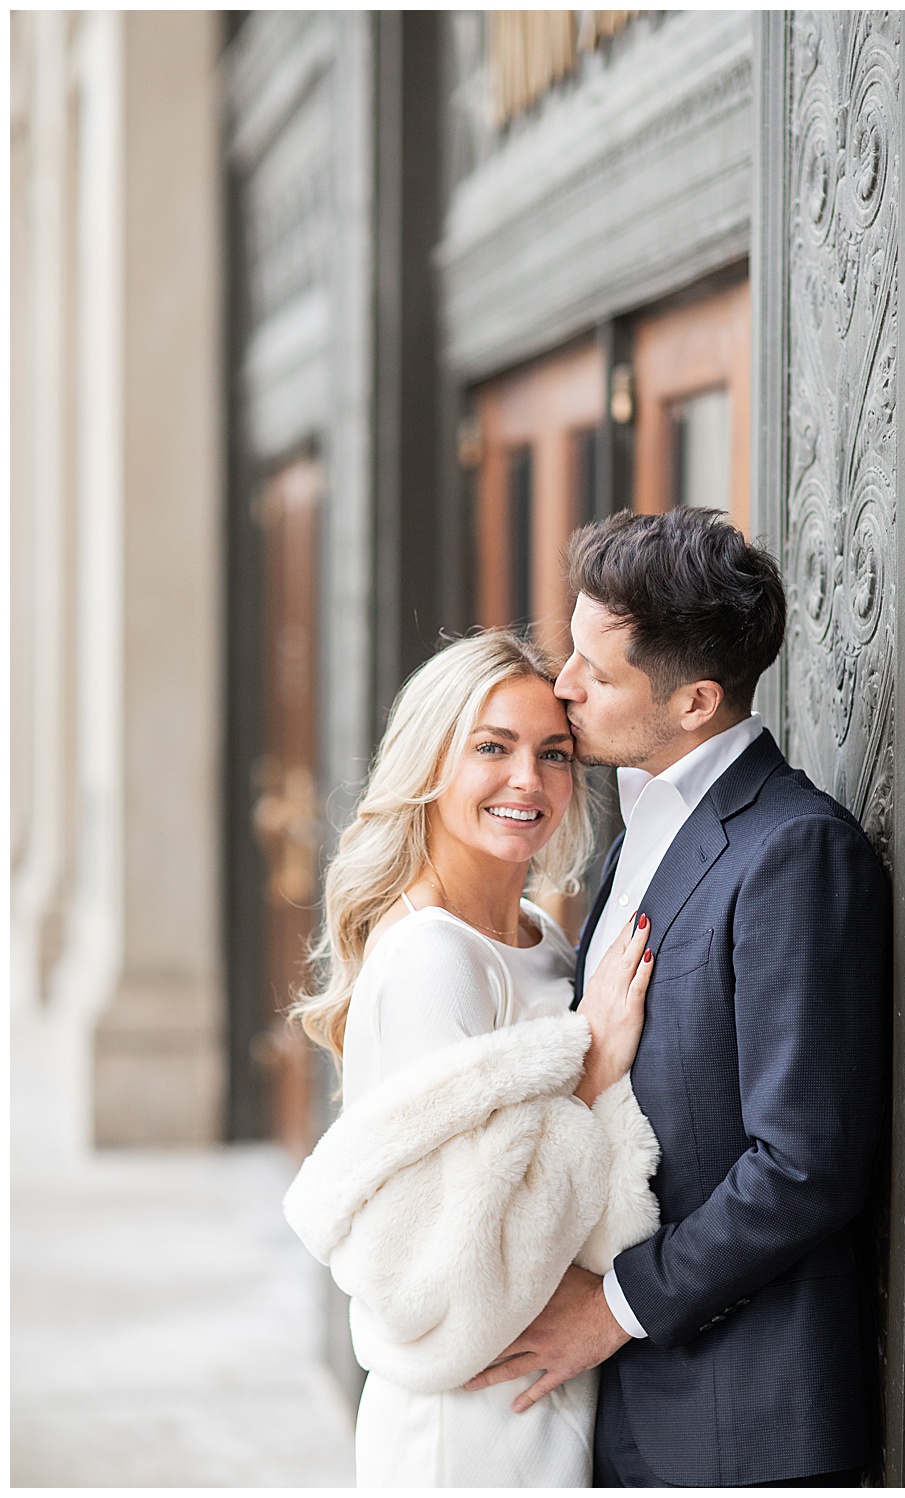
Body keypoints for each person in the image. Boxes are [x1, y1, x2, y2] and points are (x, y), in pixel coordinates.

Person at [460, 508, 892, 1488]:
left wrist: (610, 1308)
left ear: (696, 701)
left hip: (741, 1426)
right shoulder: (630, 838)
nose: (563, 686)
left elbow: (803, 1166)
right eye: (569, 650)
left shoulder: (794, 852)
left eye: (595, 672)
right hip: (630, 1415)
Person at [283, 632, 662, 1486]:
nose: (528, 780)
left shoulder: (541, 935)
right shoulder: (433, 958)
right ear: (432, 761)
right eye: (492, 747)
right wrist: (593, 1069)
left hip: (546, 1394)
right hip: (465, 1425)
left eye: (554, 753)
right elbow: (456, 1267)